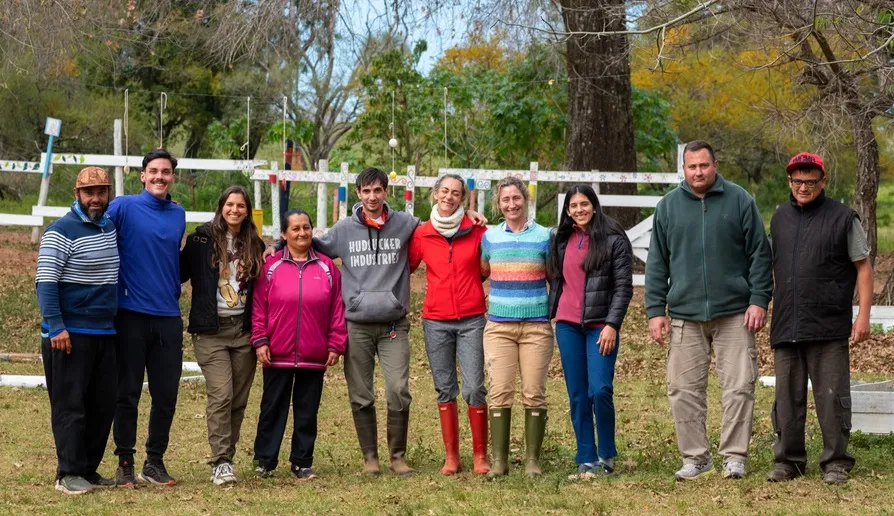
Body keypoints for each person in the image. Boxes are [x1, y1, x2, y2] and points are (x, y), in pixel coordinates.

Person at [645, 140, 773, 481]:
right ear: (683, 169)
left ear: (714, 165)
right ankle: (696, 458)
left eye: (704, 165)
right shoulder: (669, 207)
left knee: (739, 386)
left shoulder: (740, 200)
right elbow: (657, 262)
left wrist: (759, 299)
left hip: (735, 312)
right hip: (685, 313)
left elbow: (760, 254)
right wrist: (656, 309)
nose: (698, 172)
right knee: (682, 388)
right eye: (692, 166)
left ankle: (734, 456)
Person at [766, 152, 874, 485]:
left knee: (831, 398)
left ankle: (837, 462)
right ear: (789, 181)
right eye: (797, 181)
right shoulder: (779, 217)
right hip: (787, 323)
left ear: (822, 181)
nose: (803, 187)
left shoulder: (843, 217)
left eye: (810, 181)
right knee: (786, 399)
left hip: (828, 325)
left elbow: (863, 266)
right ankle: (788, 460)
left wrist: (863, 316)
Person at [36, 167, 120, 494]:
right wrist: (56, 326)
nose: (96, 198)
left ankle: (87, 468)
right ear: (77, 194)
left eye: (101, 192)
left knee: (102, 405)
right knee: (70, 404)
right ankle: (68, 472)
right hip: (69, 334)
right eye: (90, 193)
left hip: (104, 332)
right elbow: (45, 282)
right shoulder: (60, 231)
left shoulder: (109, 226)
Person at [108, 148, 186, 487]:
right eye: (153, 171)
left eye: (165, 172)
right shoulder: (123, 207)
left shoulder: (178, 214)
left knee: (166, 394)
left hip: (168, 317)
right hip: (130, 315)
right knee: (127, 393)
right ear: (142, 175)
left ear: (173, 177)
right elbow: (91, 224)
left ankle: (154, 462)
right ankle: (125, 461)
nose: (159, 176)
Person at [251, 209, 347, 479]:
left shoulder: (328, 267)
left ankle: (302, 461)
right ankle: (265, 461)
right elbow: (259, 308)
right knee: (272, 407)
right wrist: (260, 340)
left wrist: (335, 344)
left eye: (306, 227)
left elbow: (337, 309)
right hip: (276, 353)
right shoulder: (270, 266)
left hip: (313, 353)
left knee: (307, 411)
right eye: (295, 228)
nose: (302, 233)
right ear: (284, 234)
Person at [180, 186, 265, 485]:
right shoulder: (201, 239)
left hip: (243, 331)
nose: (235, 210)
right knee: (221, 394)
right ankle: (220, 461)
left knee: (238, 400)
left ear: (247, 210)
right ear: (221, 207)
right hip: (210, 332)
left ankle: (226, 458)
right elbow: (177, 272)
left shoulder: (254, 243)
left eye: (241, 206)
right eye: (230, 204)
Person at [547, 184, 633, 478]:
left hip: (601, 327)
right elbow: (555, 278)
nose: (579, 210)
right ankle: (586, 457)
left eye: (584, 204)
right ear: (567, 210)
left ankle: (606, 454)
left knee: (600, 389)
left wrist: (612, 324)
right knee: (578, 394)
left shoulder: (613, 239)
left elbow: (623, 287)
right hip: (567, 325)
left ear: (594, 206)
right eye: (573, 206)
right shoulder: (561, 239)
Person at [408, 174, 490, 476]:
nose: (449, 197)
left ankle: (481, 455)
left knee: (473, 388)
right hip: (435, 321)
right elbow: (403, 266)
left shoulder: (477, 231)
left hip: (471, 319)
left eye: (456, 193)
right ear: (435, 194)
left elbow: (489, 266)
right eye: (444, 191)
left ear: (464, 199)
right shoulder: (422, 234)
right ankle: (452, 456)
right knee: (445, 389)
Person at [480, 175, 553, 478]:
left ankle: (533, 460)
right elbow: (484, 269)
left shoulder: (545, 237)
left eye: (516, 198)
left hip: (536, 326)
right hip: (499, 327)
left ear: (525, 200)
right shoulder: (490, 238)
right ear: (498, 204)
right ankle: (499, 461)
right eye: (505, 199)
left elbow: (553, 275)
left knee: (534, 392)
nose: (512, 204)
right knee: (499, 391)